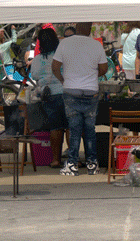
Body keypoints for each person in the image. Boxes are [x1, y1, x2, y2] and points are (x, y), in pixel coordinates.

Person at [53, 22, 108, 176]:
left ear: (76, 28)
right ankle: (92, 164)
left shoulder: (65, 43)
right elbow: (104, 69)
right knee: (90, 129)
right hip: (91, 91)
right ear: (89, 29)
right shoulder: (96, 45)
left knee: (74, 128)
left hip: (71, 90)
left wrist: (63, 80)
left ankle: (72, 164)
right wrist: (90, 76)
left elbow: (55, 67)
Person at [27, 27, 67, 165]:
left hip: (49, 95)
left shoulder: (37, 59)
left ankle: (56, 159)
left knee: (55, 127)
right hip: (66, 92)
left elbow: (35, 75)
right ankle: (73, 159)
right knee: (69, 127)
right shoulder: (63, 55)